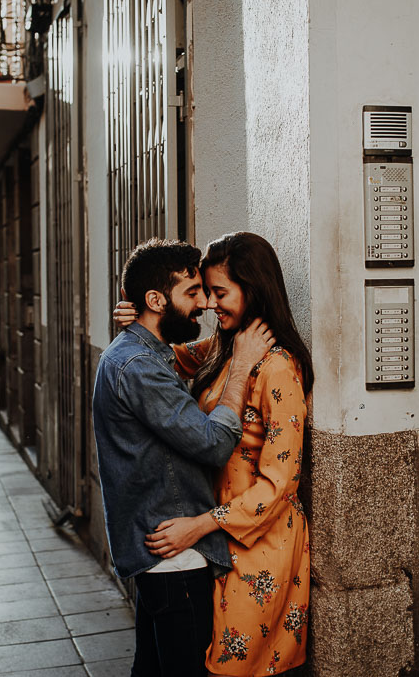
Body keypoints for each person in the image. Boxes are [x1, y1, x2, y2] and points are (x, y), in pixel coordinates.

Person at [115, 232, 314, 675]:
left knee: (231, 667)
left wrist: (200, 525)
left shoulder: (277, 366)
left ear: (254, 290)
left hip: (258, 543)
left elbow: (280, 482)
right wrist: (142, 317)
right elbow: (166, 356)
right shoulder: (227, 348)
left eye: (218, 292)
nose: (208, 303)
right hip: (217, 540)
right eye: (203, 291)